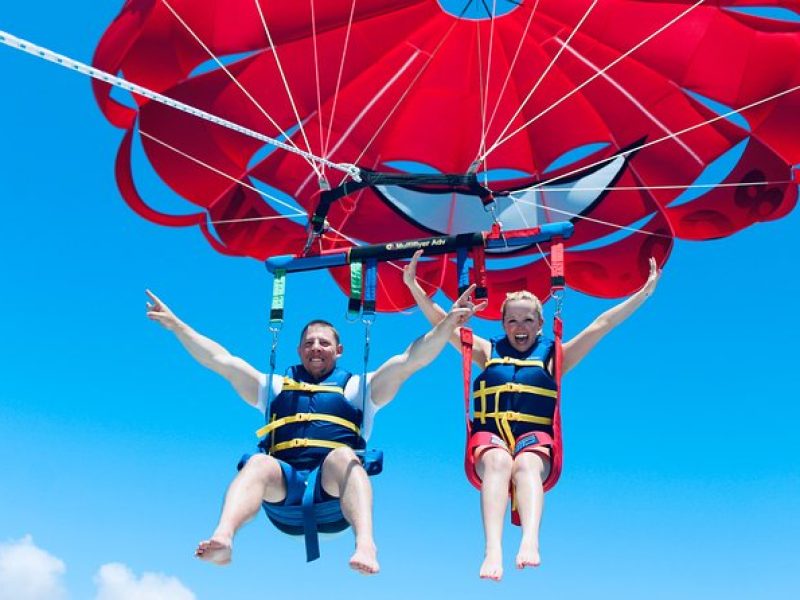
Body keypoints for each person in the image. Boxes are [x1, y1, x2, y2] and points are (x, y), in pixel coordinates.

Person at [145, 287, 481, 575]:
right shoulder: (273, 387)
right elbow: (220, 360)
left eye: (323, 342)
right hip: (284, 501)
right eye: (309, 343)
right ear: (299, 350)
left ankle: (365, 544)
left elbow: (411, 359)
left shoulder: (357, 389)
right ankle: (223, 539)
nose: (315, 347)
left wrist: (448, 322)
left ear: (339, 350)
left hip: (334, 504)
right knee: (259, 463)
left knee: (342, 456)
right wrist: (177, 326)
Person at [402, 250, 660, 581]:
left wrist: (642, 293)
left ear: (540, 324)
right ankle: (493, 548)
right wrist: (413, 286)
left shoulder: (555, 357)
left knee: (524, 465)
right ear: (502, 323)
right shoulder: (487, 351)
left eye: (527, 320)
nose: (519, 327)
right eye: (512, 320)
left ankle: (530, 540)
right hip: (490, 439)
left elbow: (602, 325)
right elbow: (443, 323)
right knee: (498, 462)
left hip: (533, 442)